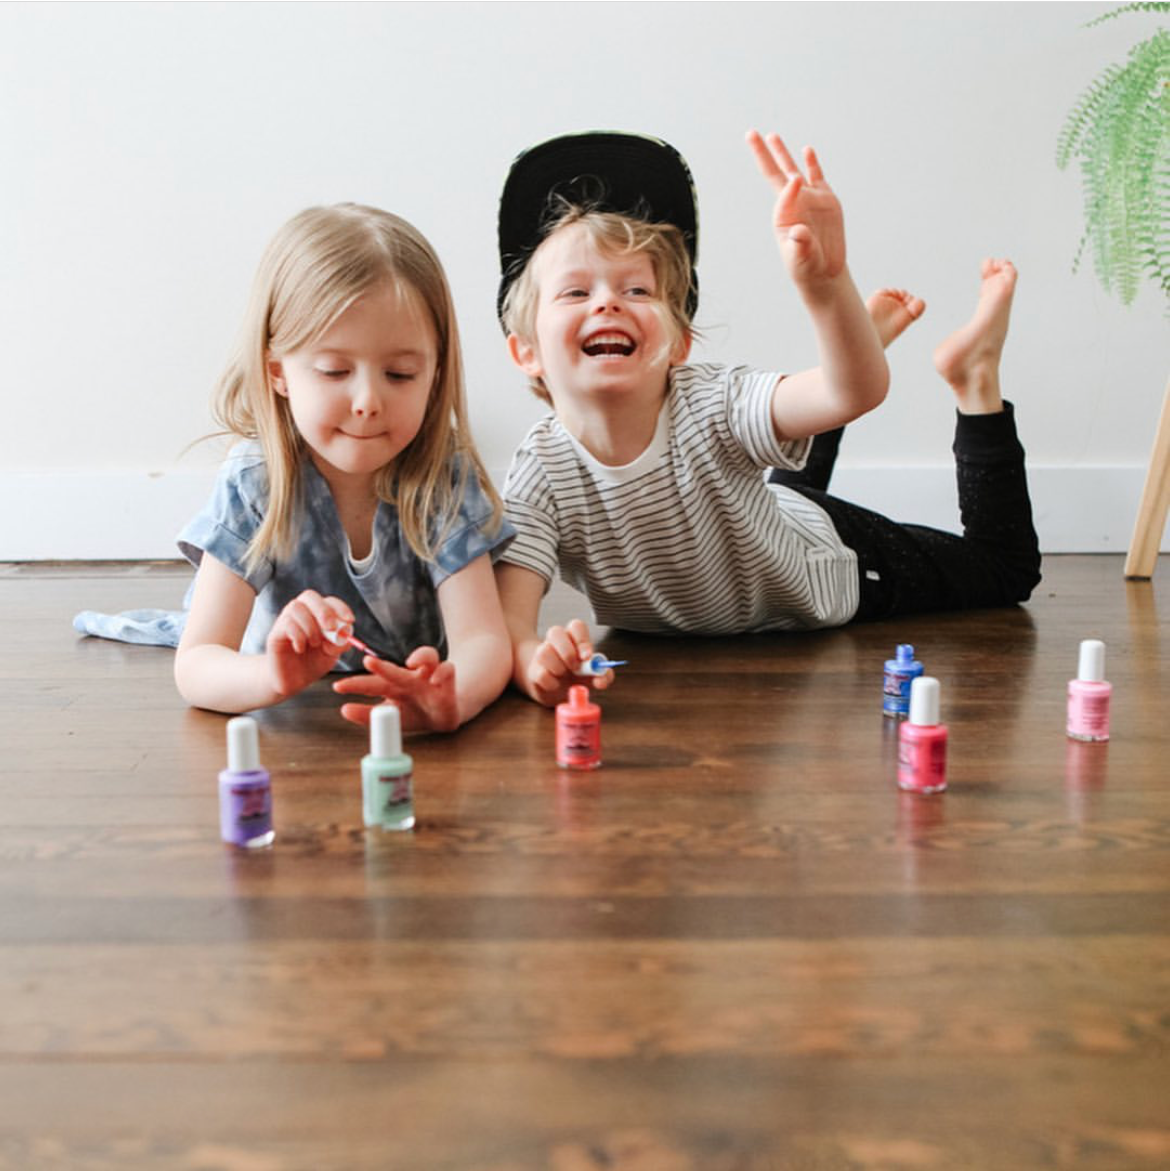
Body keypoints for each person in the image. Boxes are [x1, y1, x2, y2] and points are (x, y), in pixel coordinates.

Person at [492, 130, 1041, 707]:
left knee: (1004, 571)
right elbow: (511, 627)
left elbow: (856, 391)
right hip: (752, 526)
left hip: (827, 560)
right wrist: (539, 666)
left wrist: (827, 289)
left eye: (636, 288)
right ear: (526, 351)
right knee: (772, 472)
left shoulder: (713, 402)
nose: (607, 302)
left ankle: (973, 376)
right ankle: (858, 342)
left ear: (679, 342)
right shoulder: (539, 474)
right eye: (575, 292)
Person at [81, 204, 515, 730]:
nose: (367, 401)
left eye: (400, 374)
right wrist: (273, 677)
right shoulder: (256, 481)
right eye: (335, 370)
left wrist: (453, 700)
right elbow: (197, 664)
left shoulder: (443, 474)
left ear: (435, 371)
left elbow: (485, 642)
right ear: (279, 373)